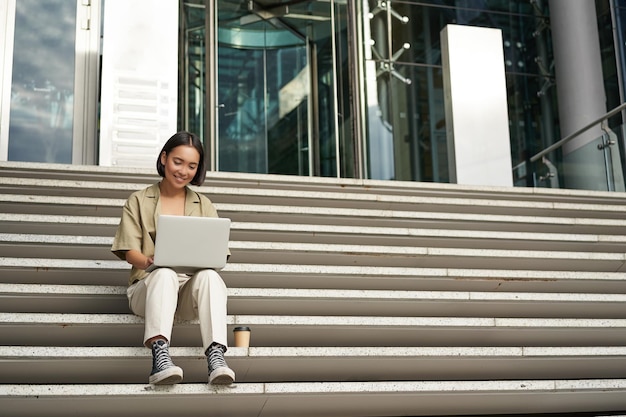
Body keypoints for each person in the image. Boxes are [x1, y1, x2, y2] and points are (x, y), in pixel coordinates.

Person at [111, 131, 235, 386]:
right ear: (164, 158)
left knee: (212, 276)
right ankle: (160, 355)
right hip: (147, 287)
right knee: (164, 273)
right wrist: (150, 262)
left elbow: (218, 252)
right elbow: (128, 251)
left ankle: (216, 356)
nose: (183, 171)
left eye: (192, 166)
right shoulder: (138, 200)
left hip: (187, 292)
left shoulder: (204, 204)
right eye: (178, 162)